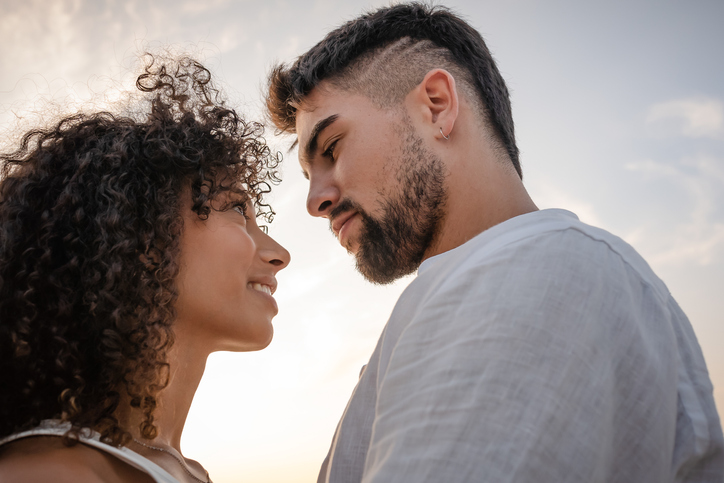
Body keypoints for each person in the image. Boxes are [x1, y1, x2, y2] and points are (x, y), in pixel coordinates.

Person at [266, 3, 724, 482]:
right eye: (307, 174)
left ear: (437, 106)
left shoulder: (537, 271)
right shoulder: (507, 277)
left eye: (333, 148)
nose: (315, 200)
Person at [0, 56, 290, 483]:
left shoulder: (185, 472)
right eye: (234, 209)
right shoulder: (52, 472)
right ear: (143, 238)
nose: (280, 254)